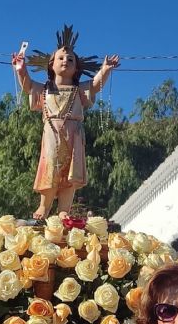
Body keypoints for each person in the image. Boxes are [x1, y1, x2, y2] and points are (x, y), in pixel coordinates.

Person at [12, 31, 119, 220]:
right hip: (52, 132)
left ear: (77, 67)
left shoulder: (79, 89)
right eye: (60, 58)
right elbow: (27, 85)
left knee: (71, 173)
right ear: (51, 65)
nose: (65, 61)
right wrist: (21, 69)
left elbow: (95, 85)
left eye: (70, 59)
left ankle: (64, 210)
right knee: (50, 168)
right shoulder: (44, 89)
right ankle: (44, 207)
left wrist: (105, 70)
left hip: (75, 134)